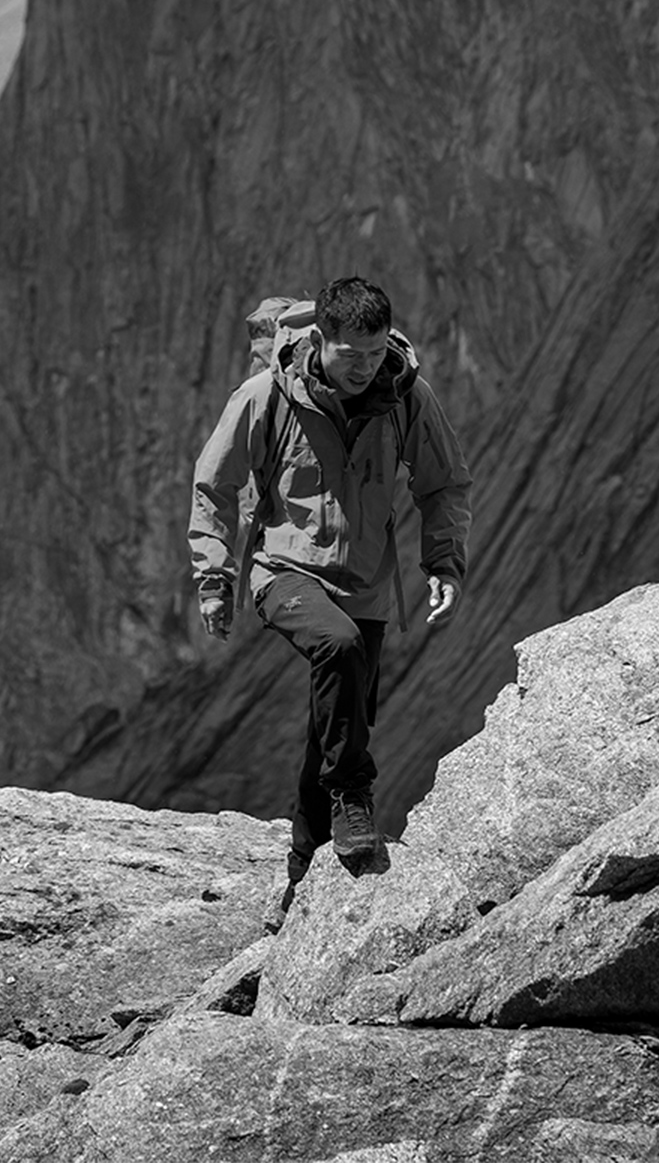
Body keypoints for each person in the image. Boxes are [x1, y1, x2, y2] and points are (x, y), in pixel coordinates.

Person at [188, 275, 472, 927]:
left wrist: (444, 562)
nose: (366, 368)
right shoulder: (268, 397)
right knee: (337, 648)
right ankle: (354, 793)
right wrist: (214, 576)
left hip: (366, 583)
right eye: (353, 356)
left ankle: (299, 878)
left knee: (337, 718)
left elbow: (445, 483)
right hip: (282, 569)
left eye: (376, 354)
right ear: (321, 340)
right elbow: (215, 482)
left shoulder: (406, 397)